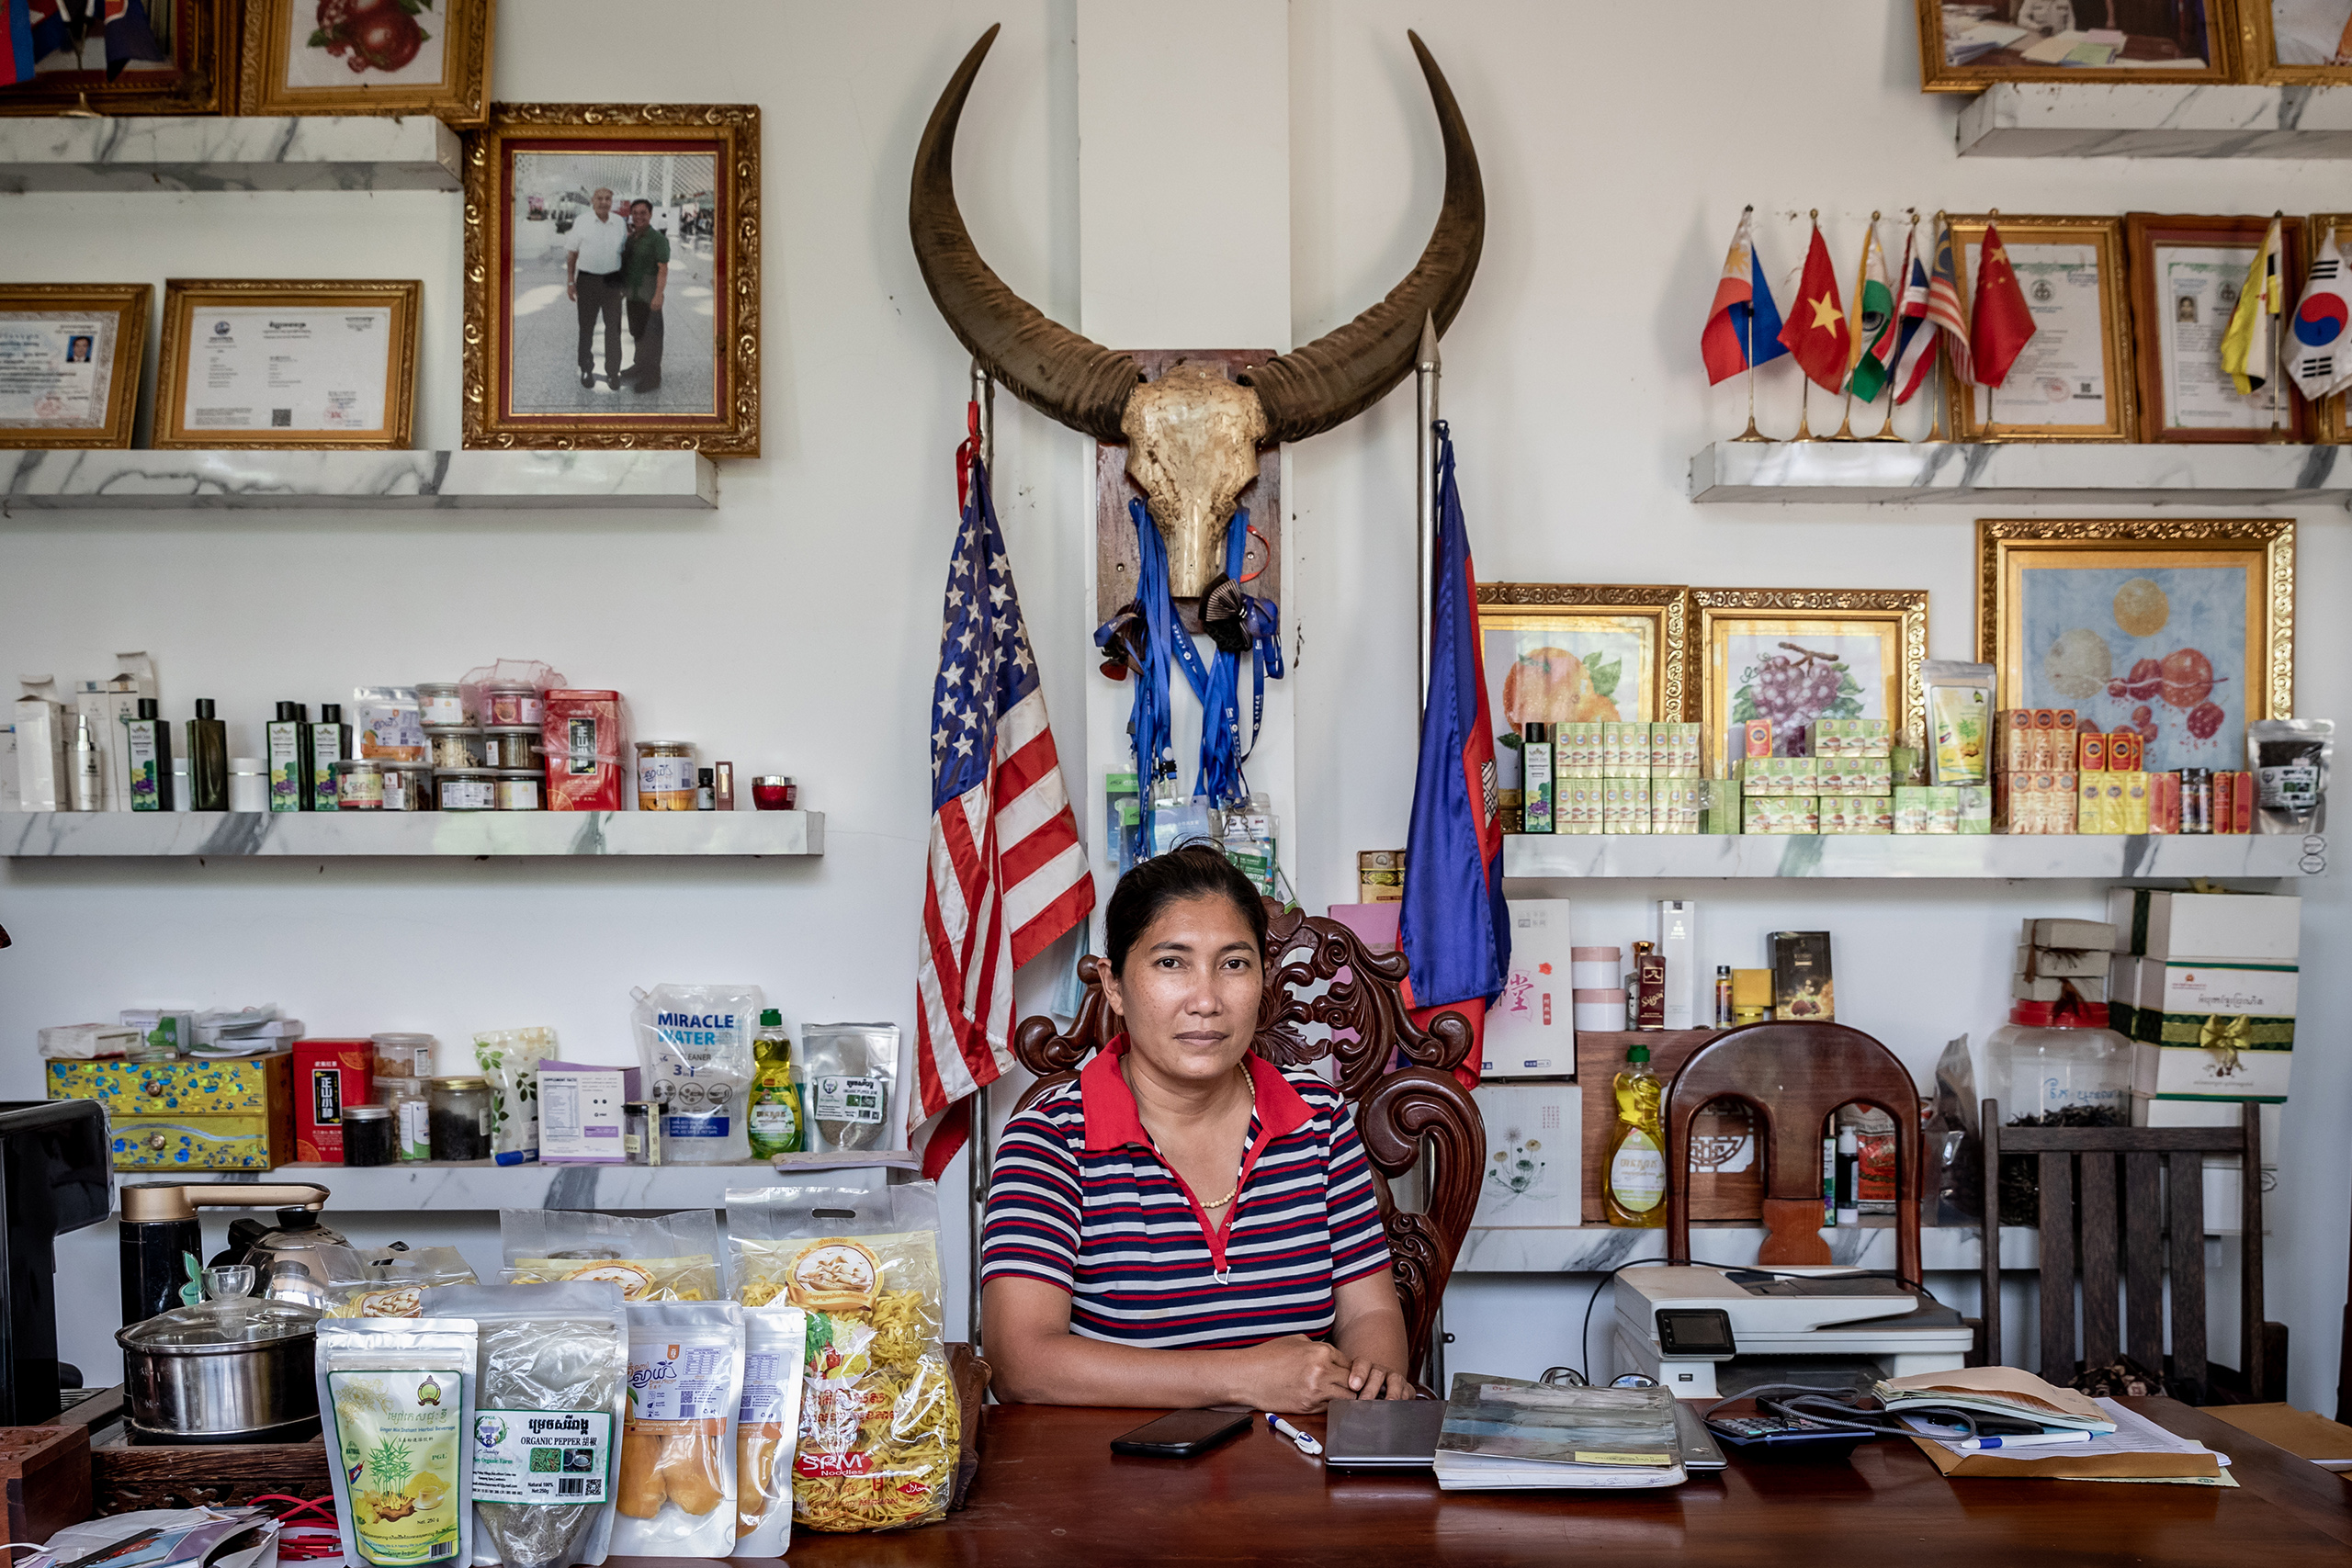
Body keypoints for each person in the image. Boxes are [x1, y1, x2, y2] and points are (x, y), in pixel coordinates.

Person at [981, 843, 1414, 1412]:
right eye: (1171, 963)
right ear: (1113, 985)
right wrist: (1240, 1377)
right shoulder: (1051, 1139)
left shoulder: (1319, 1117)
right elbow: (1020, 1363)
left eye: (1234, 963)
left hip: (1295, 1473)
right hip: (1110, 1481)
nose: (1207, 1000)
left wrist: (1369, 1396)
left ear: (1264, 981)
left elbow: (1371, 1313)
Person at [565, 186, 628, 390]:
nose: (603, 202)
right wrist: (570, 281)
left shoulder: (619, 223)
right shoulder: (582, 222)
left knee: (613, 329)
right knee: (586, 328)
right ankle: (586, 368)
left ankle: (613, 372)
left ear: (612, 201)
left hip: (613, 281)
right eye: (599, 198)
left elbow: (624, 254)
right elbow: (572, 253)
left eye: (608, 198)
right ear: (592, 201)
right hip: (588, 281)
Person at [620, 197, 669, 394]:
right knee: (637, 332)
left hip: (650, 297)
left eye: (643, 213)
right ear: (631, 215)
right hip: (633, 296)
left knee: (652, 338)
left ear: (650, 215)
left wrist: (659, 295)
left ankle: (652, 377)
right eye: (636, 213)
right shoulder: (631, 239)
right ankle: (639, 366)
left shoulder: (658, 240)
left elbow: (663, 269)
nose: (639, 216)